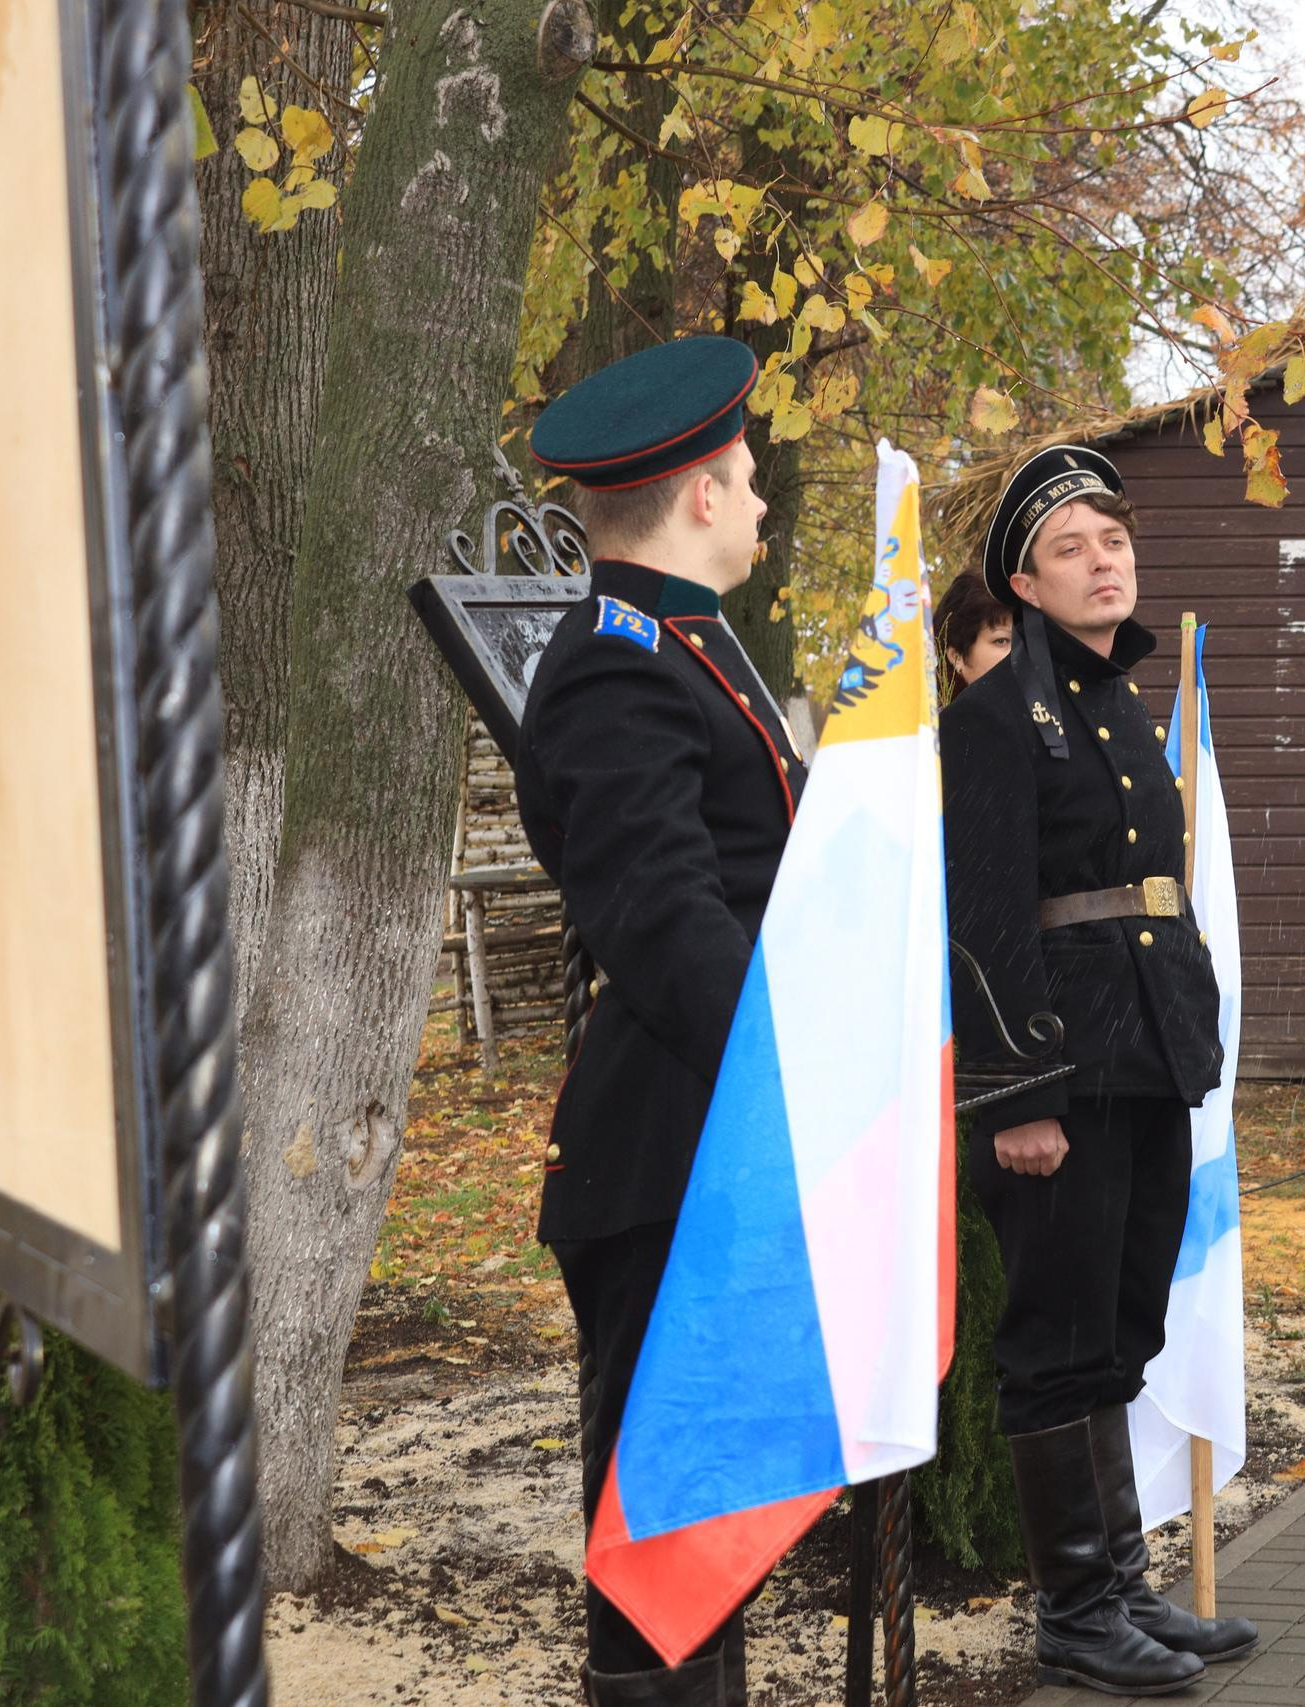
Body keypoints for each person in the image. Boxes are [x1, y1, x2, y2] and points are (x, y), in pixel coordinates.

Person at [512, 335, 807, 1707]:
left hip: (713, 1135)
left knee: (714, 1521)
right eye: (746, 481)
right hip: (672, 1142)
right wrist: (793, 1064)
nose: (758, 504)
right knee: (666, 1542)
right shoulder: (619, 661)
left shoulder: (682, 643)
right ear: (697, 494)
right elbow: (667, 921)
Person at [941, 445, 1257, 1695]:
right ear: (1022, 581)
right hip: (1058, 1076)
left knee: (1122, 1326)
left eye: (1113, 539)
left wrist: (1191, 1042)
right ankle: (1074, 1612)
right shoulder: (990, 718)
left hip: (1144, 1059)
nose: (1102, 560)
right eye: (1070, 546)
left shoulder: (1120, 704)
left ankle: (1120, 1585)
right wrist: (1018, 1098)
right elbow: (988, 920)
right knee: (1056, 1340)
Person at [935, 565, 1013, 699]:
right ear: (956, 656)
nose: (1021, 651)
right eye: (1001, 641)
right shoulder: (930, 718)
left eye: (1026, 638)